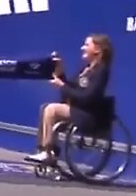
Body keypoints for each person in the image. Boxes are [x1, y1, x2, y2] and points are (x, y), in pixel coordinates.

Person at [25, 34, 114, 164]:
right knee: (44, 107)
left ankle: (48, 152)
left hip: (89, 115)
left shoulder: (101, 71)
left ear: (97, 50)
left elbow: (88, 97)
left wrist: (62, 86)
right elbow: (70, 88)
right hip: (79, 109)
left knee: (52, 110)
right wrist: (60, 71)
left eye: (87, 45)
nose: (82, 48)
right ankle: (44, 149)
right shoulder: (86, 69)